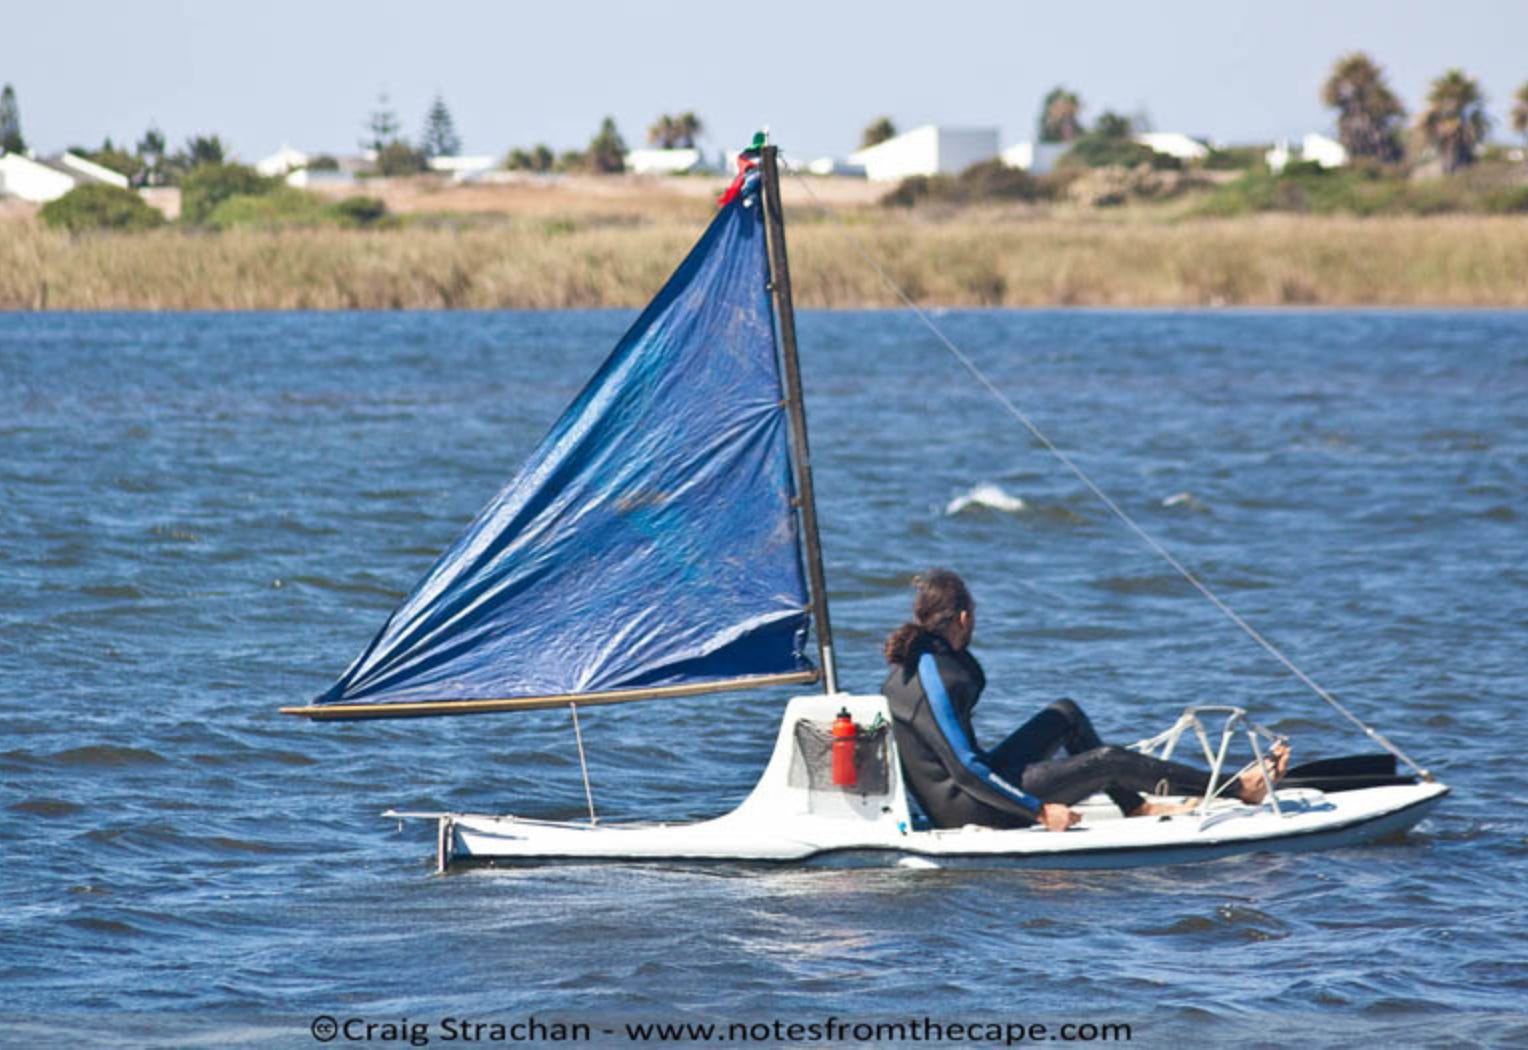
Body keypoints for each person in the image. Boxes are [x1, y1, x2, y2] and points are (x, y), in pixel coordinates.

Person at [880, 569, 1289, 833]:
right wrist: (1039, 812)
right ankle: (1238, 789)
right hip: (969, 809)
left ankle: (1133, 806)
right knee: (1108, 761)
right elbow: (966, 769)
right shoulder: (932, 677)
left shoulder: (927, 661)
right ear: (964, 618)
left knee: (1065, 714)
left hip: (971, 791)